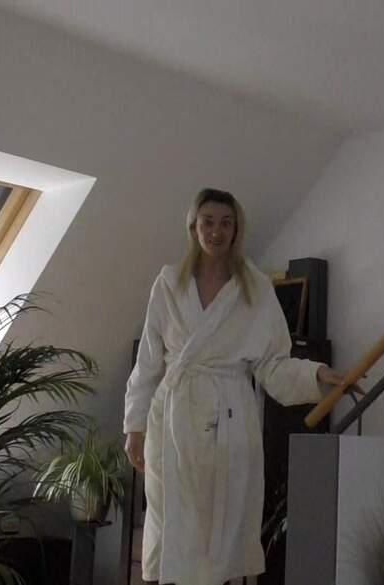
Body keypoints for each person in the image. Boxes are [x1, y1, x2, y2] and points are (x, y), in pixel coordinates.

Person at [123, 188, 349, 585]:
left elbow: (273, 363)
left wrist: (315, 375)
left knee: (219, 531)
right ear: (193, 226)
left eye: (226, 223)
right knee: (172, 524)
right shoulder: (169, 283)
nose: (216, 231)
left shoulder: (255, 289)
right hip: (173, 419)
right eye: (208, 222)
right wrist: (134, 427)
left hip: (228, 420)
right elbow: (149, 362)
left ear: (236, 229)